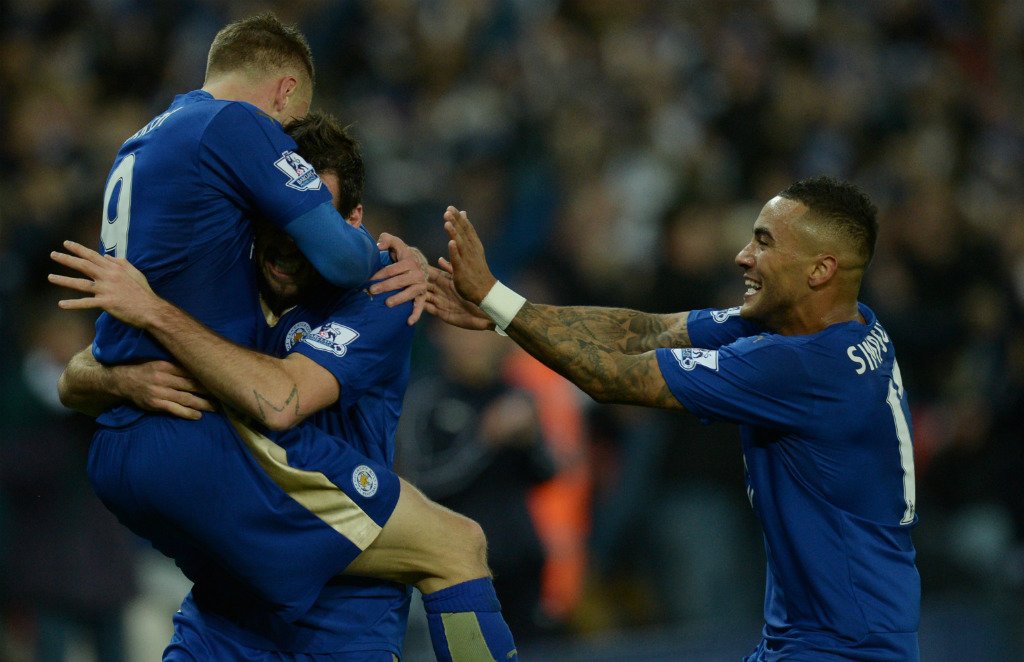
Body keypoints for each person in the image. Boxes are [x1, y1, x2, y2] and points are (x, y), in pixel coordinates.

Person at [50, 12, 518, 660]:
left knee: (457, 544)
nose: (292, 241)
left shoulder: (382, 292)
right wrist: (120, 377)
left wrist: (154, 316)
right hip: (240, 590)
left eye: (309, 219)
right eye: (278, 216)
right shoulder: (226, 279)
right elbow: (78, 372)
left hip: (340, 607)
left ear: (351, 219)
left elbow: (279, 398)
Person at [430, 176, 921, 661]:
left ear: (820, 270)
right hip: (821, 637)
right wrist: (503, 313)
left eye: (765, 242)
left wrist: (494, 297)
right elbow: (647, 331)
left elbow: (613, 377)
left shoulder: (803, 366)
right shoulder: (843, 323)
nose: (743, 255)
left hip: (843, 650)